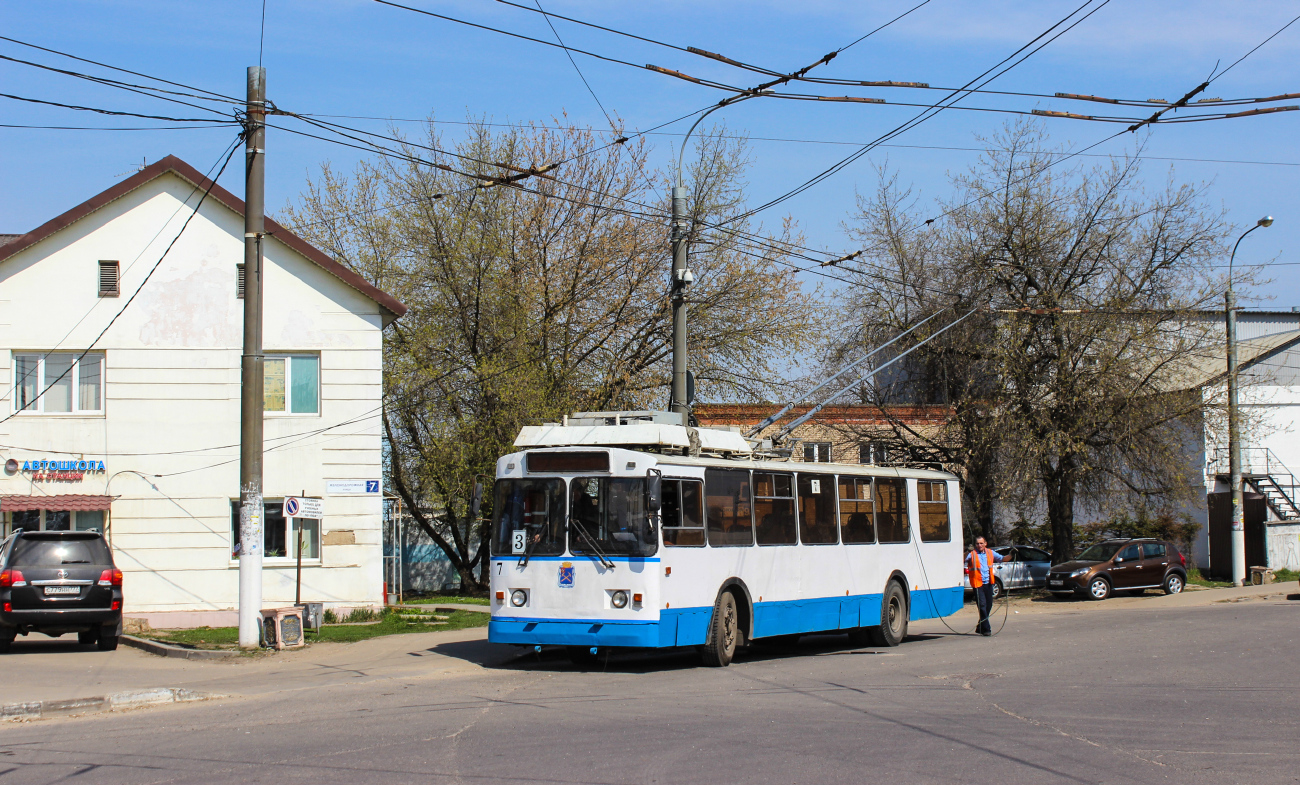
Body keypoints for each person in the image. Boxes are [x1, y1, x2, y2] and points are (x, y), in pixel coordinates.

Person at [965, 537, 1004, 636]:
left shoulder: (990, 553)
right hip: (978, 584)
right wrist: (966, 551)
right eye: (977, 543)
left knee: (988, 605)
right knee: (982, 606)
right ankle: (986, 629)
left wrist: (1011, 555)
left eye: (981, 543)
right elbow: (962, 560)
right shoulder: (972, 554)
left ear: (985, 543)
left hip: (989, 583)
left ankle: (980, 626)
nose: (979, 545)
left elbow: (1003, 559)